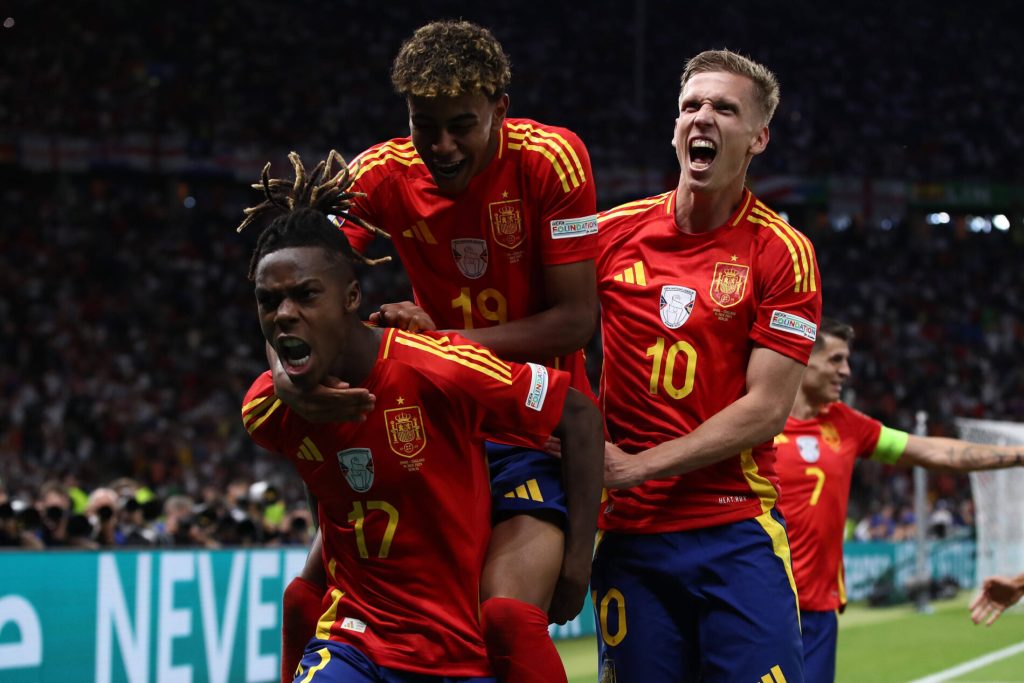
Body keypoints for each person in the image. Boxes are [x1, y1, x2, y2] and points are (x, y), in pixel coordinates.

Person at [272, 20, 602, 683]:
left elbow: (575, 320)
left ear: (499, 110)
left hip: (533, 430)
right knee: (304, 597)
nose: (441, 145)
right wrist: (287, 373)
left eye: (461, 125)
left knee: (505, 618)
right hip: (433, 428)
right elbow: (294, 279)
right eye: (425, 126)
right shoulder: (378, 175)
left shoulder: (552, 158)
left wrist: (445, 345)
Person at [592, 49, 820, 682]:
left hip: (735, 528)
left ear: (758, 138)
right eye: (691, 105)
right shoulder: (611, 234)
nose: (703, 118)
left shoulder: (784, 252)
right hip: (631, 537)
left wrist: (637, 466)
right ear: (675, 128)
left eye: (725, 108)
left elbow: (766, 410)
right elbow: (544, 320)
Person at [774, 317, 1024, 681]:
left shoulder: (847, 425)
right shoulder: (760, 420)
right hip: (764, 601)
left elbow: (933, 452)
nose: (846, 371)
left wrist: (1019, 455)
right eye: (836, 359)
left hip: (819, 610)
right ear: (802, 358)